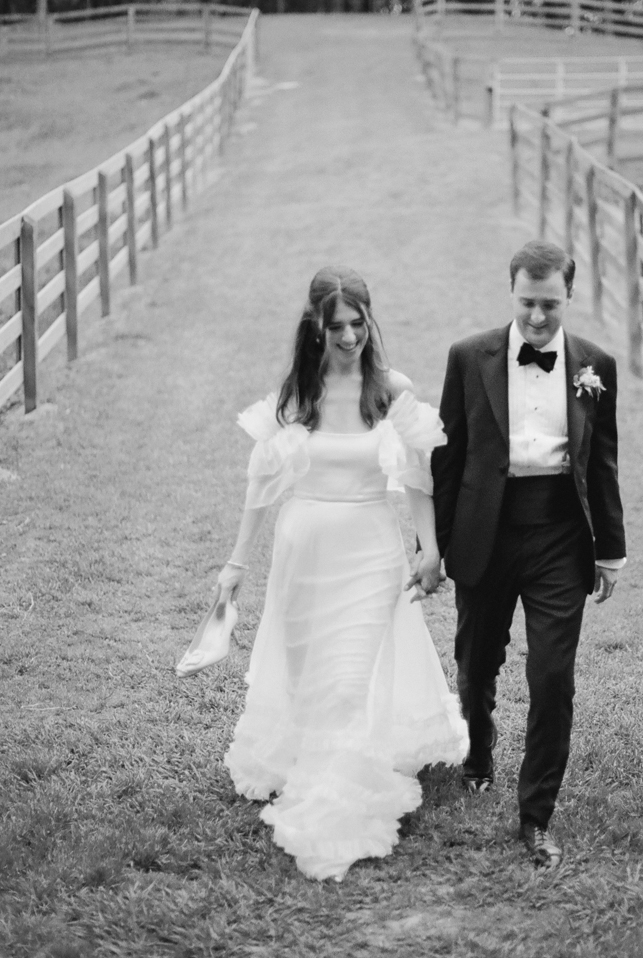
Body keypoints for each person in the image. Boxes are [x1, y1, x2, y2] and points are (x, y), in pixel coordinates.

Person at [205, 265, 467, 882]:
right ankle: (318, 758)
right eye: (336, 327)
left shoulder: (390, 388)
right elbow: (262, 483)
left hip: (371, 550)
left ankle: (341, 798)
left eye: (358, 324)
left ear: (370, 320)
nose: (349, 336)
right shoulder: (298, 393)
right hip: (304, 552)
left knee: (350, 681)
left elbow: (416, 478)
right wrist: (236, 563)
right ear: (316, 328)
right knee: (312, 676)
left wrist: (430, 549)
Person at [431, 240, 626, 870]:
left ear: (569, 296)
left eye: (550, 304)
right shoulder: (469, 357)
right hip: (485, 530)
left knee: (551, 677)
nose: (538, 317)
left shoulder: (596, 364)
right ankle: (477, 754)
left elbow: (602, 461)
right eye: (526, 303)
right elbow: (448, 455)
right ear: (510, 292)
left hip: (560, 539)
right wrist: (432, 546)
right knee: (476, 661)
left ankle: (536, 817)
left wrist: (611, 551)